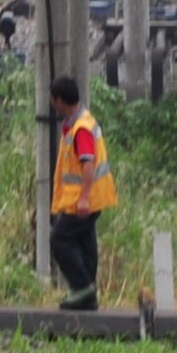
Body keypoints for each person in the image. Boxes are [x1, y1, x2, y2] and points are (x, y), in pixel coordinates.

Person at [48, 75, 117, 311]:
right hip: (91, 197)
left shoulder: (81, 129)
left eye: (52, 98)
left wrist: (84, 198)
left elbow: (88, 163)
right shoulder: (79, 123)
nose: (51, 103)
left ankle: (83, 287)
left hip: (84, 199)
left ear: (59, 101)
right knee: (85, 241)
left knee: (59, 239)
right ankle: (88, 297)